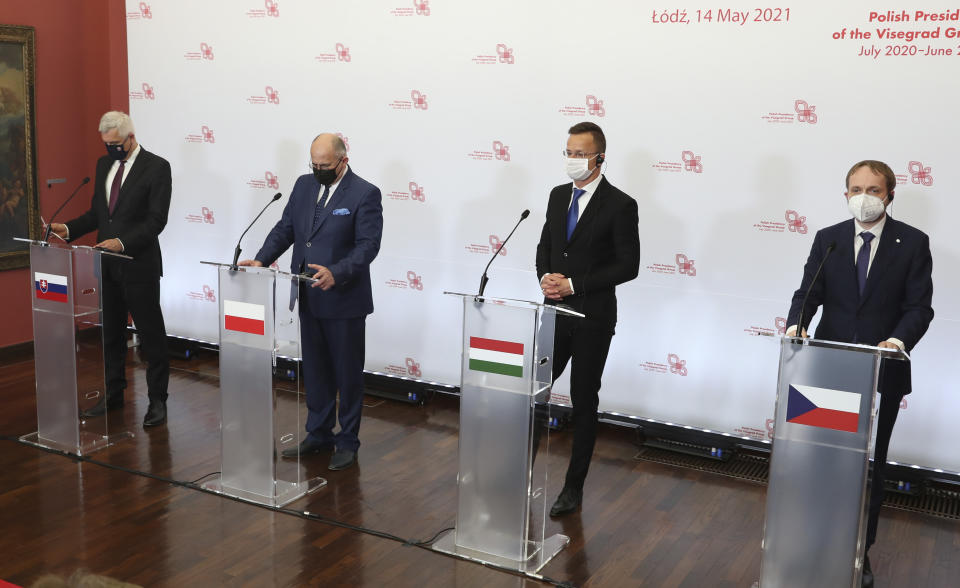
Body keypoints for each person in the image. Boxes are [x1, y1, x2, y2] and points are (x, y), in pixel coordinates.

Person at [786, 160, 934, 587]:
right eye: (855, 188)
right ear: (845, 193)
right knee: (821, 460)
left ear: (890, 194)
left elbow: (919, 307)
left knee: (868, 465)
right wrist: (798, 322)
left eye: (873, 188)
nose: (863, 196)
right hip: (828, 372)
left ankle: (858, 550)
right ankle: (813, 539)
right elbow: (807, 292)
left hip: (880, 373)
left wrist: (898, 341)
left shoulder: (912, 243)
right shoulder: (828, 239)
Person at [239, 133, 383, 471]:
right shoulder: (304, 185)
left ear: (342, 161)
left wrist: (337, 272)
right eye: (314, 164)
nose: (318, 170)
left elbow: (368, 246)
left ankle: (347, 440)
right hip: (307, 293)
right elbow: (286, 229)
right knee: (316, 372)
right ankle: (319, 433)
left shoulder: (365, 193)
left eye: (325, 166)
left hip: (344, 298)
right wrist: (262, 260)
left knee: (347, 374)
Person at [535, 122, 641, 516]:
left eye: (580, 154)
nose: (573, 160)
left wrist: (574, 285)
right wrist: (545, 278)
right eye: (568, 152)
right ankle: (520, 473)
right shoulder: (557, 195)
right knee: (535, 390)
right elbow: (546, 245)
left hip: (593, 316)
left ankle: (572, 488)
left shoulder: (620, 204)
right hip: (554, 313)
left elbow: (628, 265)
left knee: (583, 399)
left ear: (599, 157)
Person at [50, 111, 172, 427]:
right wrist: (68, 228)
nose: (111, 150)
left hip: (138, 264)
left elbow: (156, 220)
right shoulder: (104, 165)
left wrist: (122, 242)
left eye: (116, 144)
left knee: (150, 335)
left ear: (131, 137)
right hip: (106, 264)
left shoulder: (157, 167)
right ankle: (114, 393)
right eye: (107, 144)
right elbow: (98, 215)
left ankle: (158, 400)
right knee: (112, 334)